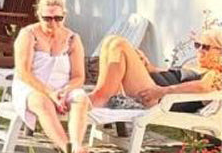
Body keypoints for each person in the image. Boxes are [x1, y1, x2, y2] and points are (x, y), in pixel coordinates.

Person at [11, 0, 91, 153]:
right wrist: (50, 93)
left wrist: (65, 91)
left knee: (81, 98)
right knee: (43, 102)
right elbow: (23, 72)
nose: (53, 23)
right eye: (47, 18)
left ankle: (76, 144)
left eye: (58, 18)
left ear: (64, 16)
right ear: (39, 15)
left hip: (63, 87)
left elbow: (79, 76)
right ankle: (68, 149)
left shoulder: (73, 39)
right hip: (32, 86)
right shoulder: (28, 34)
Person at [90, 27, 222, 111]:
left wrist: (162, 91)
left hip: (155, 97)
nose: (199, 50)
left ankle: (101, 97)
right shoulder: (193, 66)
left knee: (119, 45)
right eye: (197, 45)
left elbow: (202, 86)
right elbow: (166, 74)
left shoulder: (216, 74)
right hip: (153, 88)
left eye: (206, 47)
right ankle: (101, 94)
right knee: (111, 41)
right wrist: (147, 66)